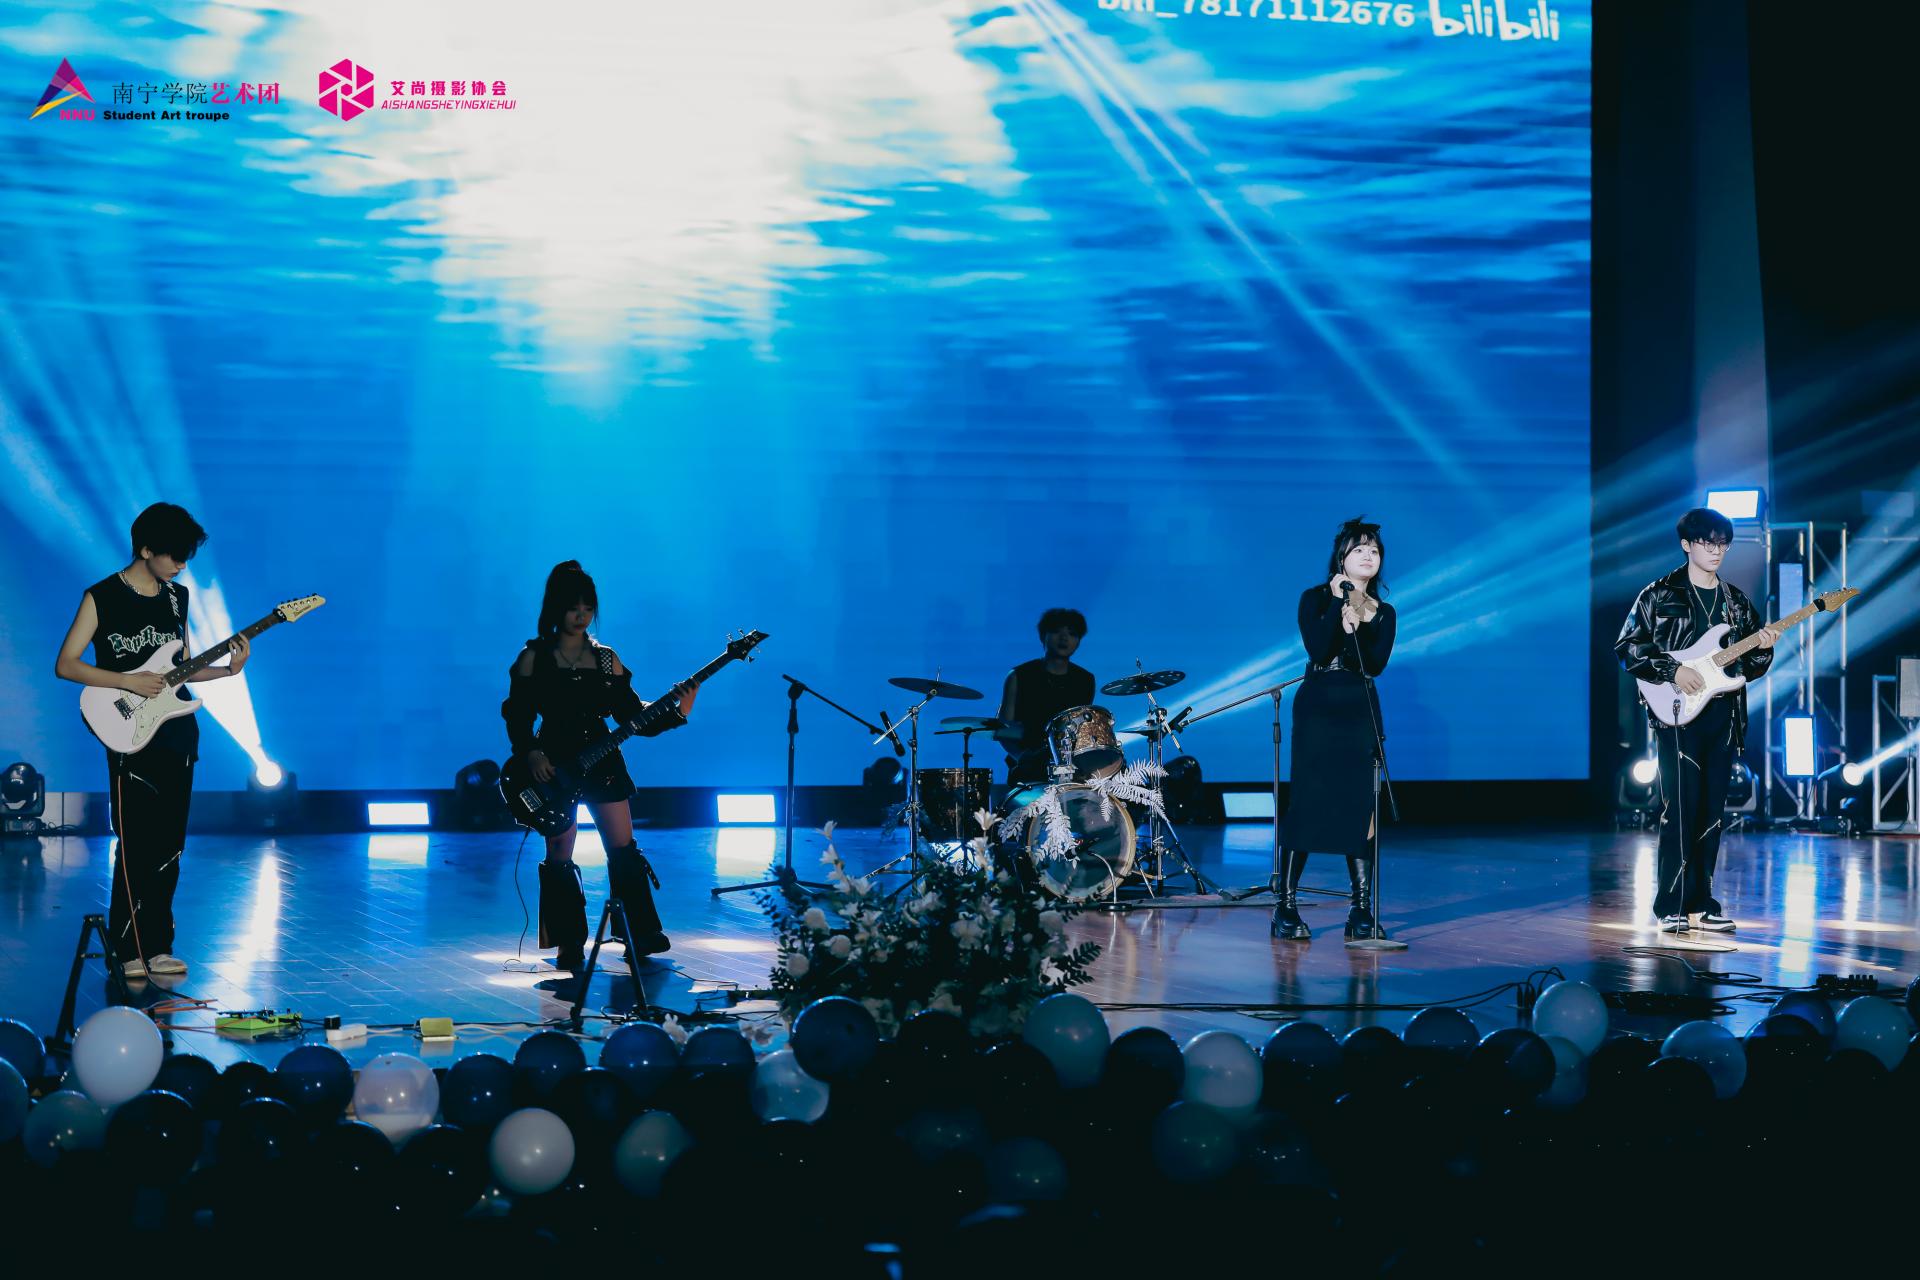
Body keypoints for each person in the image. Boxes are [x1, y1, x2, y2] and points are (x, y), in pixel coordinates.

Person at [54, 503, 251, 981]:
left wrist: (228, 670)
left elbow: (180, 669)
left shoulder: (177, 598)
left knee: (169, 845)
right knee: (135, 843)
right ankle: (128, 949)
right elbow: (67, 664)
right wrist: (127, 681)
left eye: (186, 557)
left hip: (176, 732)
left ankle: (158, 946)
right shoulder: (102, 596)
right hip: (128, 733)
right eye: (174, 556)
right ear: (145, 549)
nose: (181, 565)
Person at [501, 561, 696, 970]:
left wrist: (679, 710)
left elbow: (632, 715)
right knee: (559, 850)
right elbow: (517, 714)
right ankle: (568, 942)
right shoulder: (533, 657)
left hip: (603, 761)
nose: (582, 615)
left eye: (588, 608)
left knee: (623, 848)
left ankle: (639, 935)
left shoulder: (607, 660)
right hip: (552, 764)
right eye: (573, 607)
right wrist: (531, 753)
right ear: (556, 608)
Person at [1614, 508, 1777, 932]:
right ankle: (1670, 906)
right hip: (1677, 715)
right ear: (1687, 544)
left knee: (1712, 811)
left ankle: (1701, 905)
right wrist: (1673, 670)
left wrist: (1763, 649)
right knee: (1681, 809)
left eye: (1723, 543)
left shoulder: (1736, 602)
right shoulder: (1658, 595)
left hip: (1723, 714)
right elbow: (1628, 647)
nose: (1716, 550)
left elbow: (1749, 668)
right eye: (1707, 542)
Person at [1272, 517, 1397, 942]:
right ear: (1341, 557)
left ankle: (1360, 909)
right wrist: (1338, 615)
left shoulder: (1384, 612)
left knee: (1361, 806)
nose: (1368, 556)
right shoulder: (1314, 598)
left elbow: (1374, 664)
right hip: (1319, 706)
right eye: (1359, 549)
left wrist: (1359, 618)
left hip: (1359, 707)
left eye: (1374, 550)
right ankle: (1285, 907)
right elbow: (1318, 649)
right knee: (1308, 802)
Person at [994, 608, 1095, 783]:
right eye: (1056, 631)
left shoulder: (1085, 680)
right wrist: (1022, 757)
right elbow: (1003, 730)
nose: (1064, 638)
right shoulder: (1019, 675)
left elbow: (1082, 730)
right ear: (1043, 636)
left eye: (1072, 634)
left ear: (1079, 641)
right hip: (1027, 768)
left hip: (1070, 769)